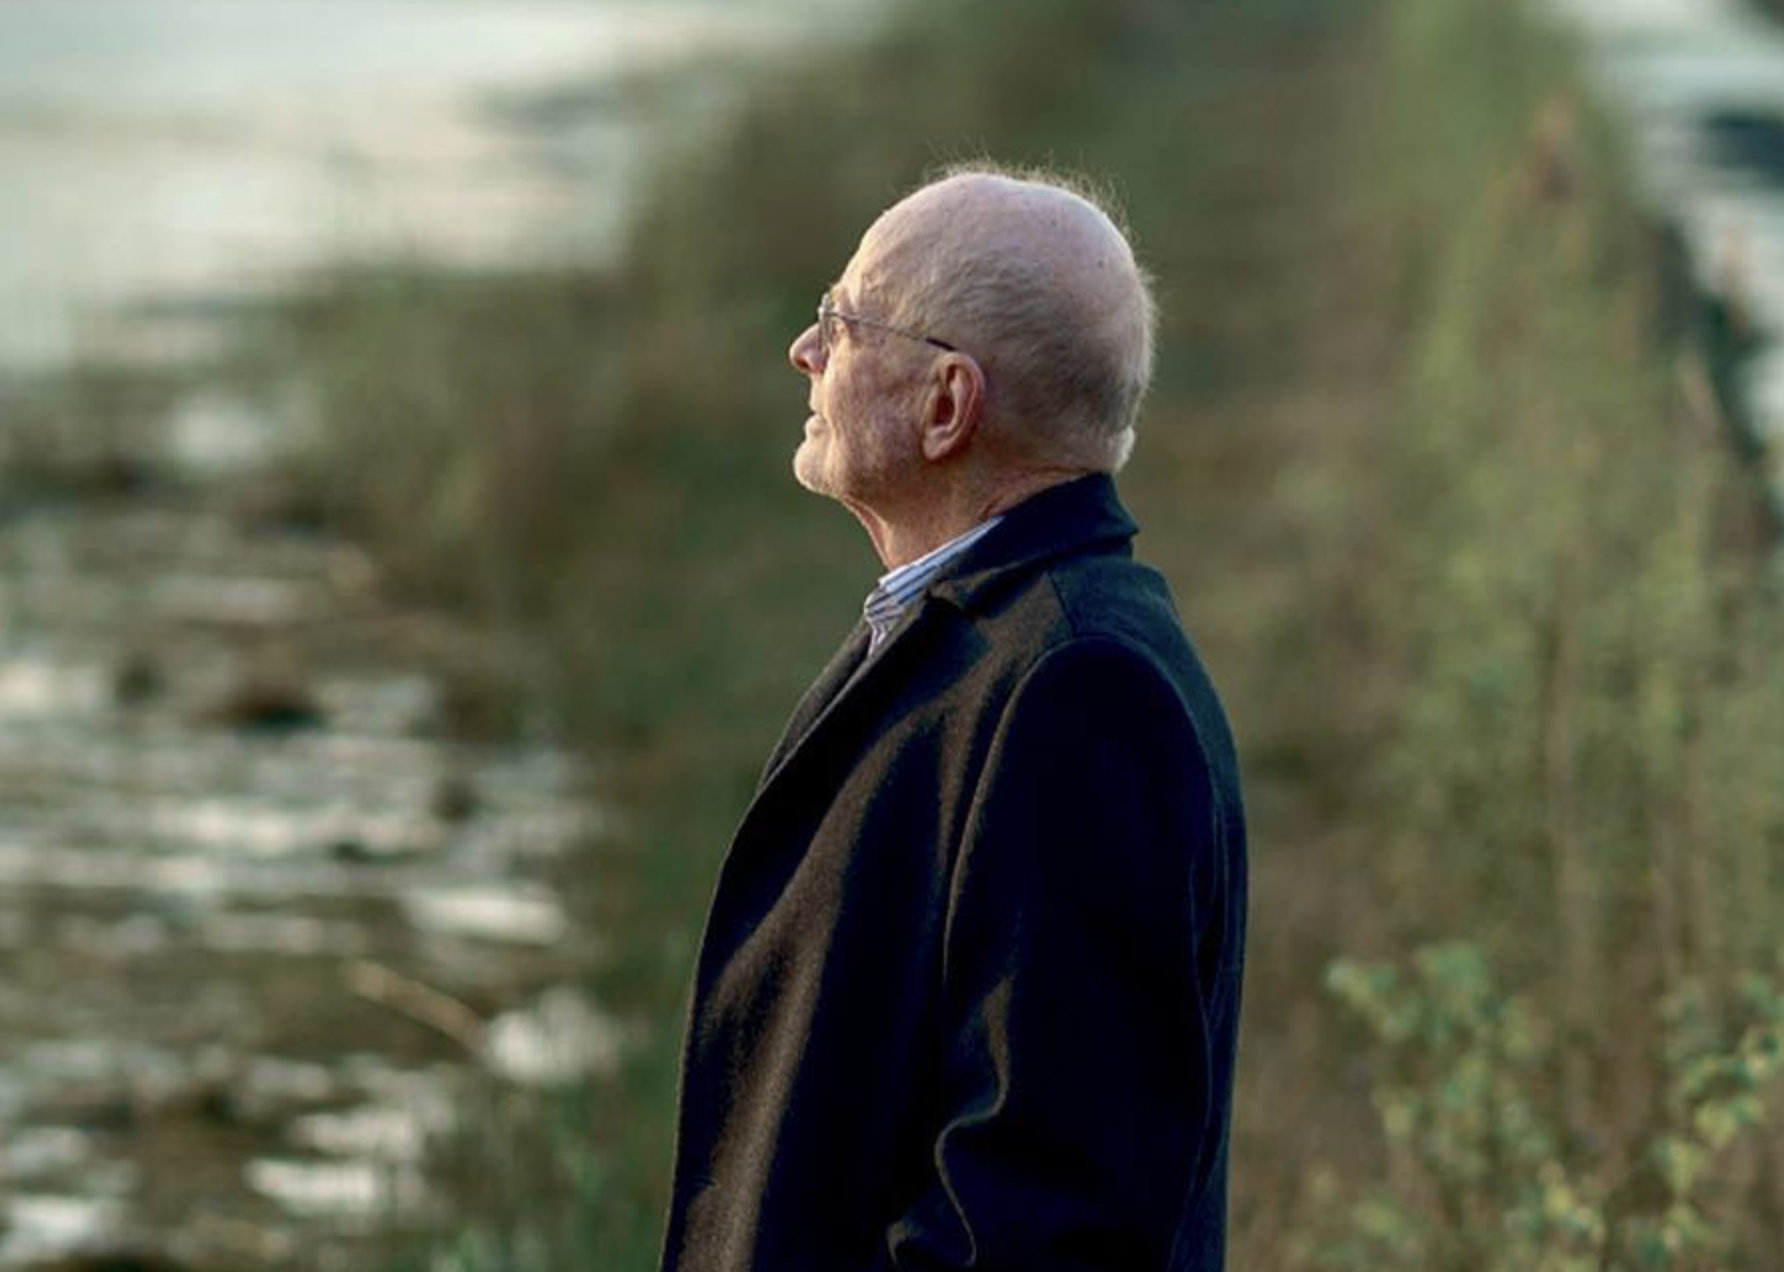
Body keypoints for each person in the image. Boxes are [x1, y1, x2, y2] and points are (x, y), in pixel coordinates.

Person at [658, 165, 1248, 1272]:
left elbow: (1045, 1216)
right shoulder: (975, 629)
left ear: (945, 406)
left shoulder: (1080, 692)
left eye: (843, 321)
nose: (805, 350)